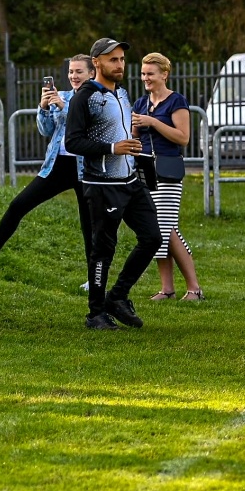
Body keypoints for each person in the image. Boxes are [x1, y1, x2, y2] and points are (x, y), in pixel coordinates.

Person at [0, 55, 94, 275]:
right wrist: (43, 107)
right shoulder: (64, 95)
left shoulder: (97, 100)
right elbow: (46, 131)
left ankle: (94, 279)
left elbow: (89, 128)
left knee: (88, 225)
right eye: (71, 72)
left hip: (85, 169)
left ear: (91, 73)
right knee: (18, 204)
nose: (73, 76)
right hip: (57, 166)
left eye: (79, 72)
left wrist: (64, 108)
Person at [65, 38, 162, 330]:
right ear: (97, 63)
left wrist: (133, 148)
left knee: (153, 238)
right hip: (102, 184)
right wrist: (112, 148)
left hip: (131, 181)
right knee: (103, 250)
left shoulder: (121, 92)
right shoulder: (84, 96)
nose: (120, 65)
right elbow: (73, 141)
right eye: (113, 60)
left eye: (121, 59)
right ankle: (96, 313)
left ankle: (117, 296)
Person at [132, 52, 202, 301]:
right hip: (145, 171)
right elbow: (135, 137)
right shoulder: (141, 103)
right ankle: (167, 289)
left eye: (150, 73)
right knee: (156, 228)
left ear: (164, 74)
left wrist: (153, 122)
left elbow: (183, 138)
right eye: (143, 74)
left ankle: (194, 288)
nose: (145, 78)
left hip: (168, 170)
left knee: (166, 228)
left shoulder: (176, 101)